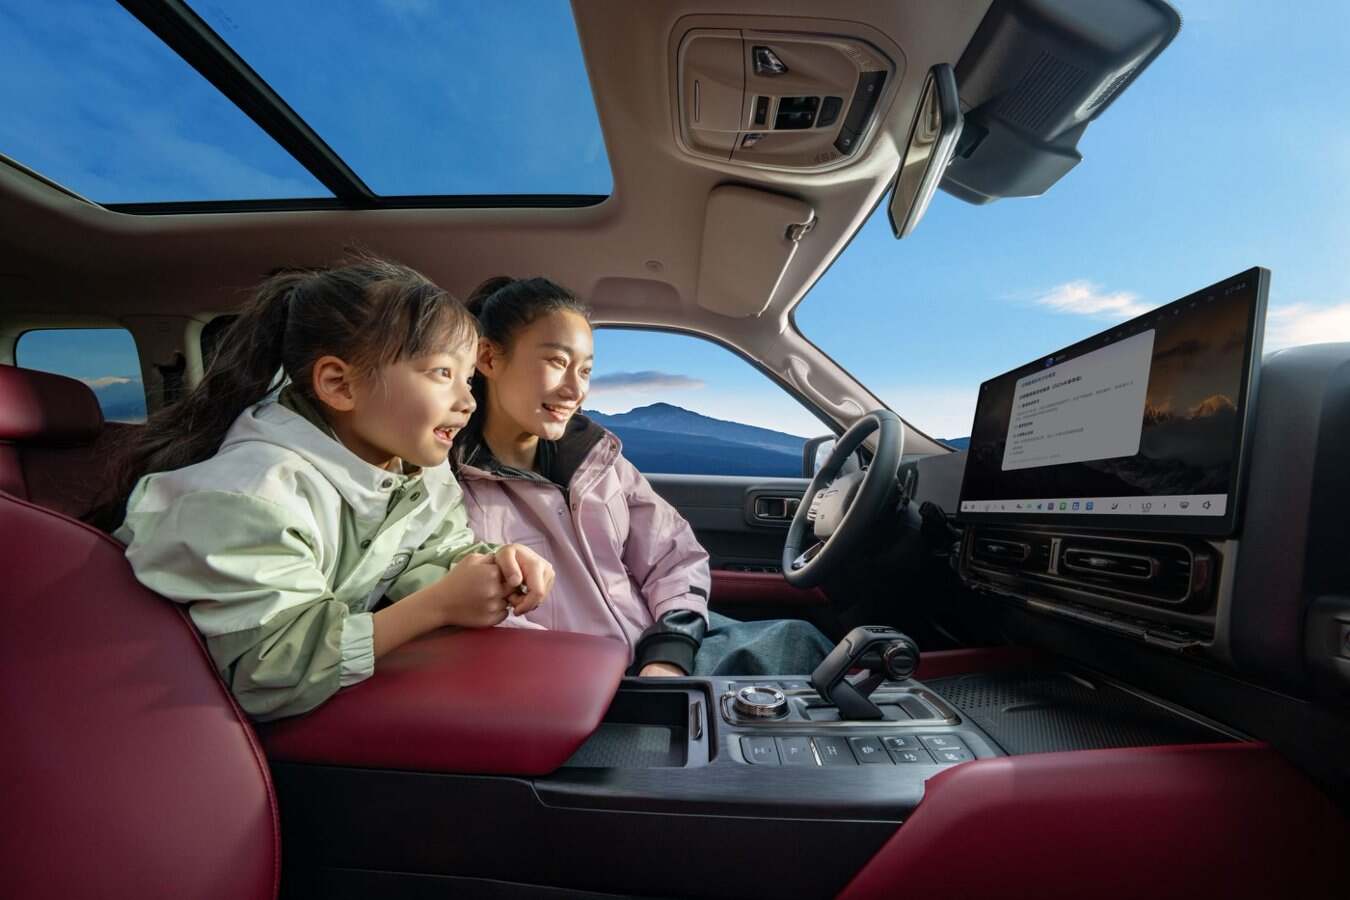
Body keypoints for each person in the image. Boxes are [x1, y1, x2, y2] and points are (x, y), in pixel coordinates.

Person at [110, 257, 554, 721]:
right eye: (442, 373)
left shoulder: (415, 468)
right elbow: (267, 671)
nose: (467, 402)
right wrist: (437, 607)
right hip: (169, 718)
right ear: (339, 385)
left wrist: (492, 568)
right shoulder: (250, 497)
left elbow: (431, 552)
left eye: (468, 380)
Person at [454, 276, 835, 676]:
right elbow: (489, 628)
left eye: (585, 370)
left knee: (800, 640)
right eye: (557, 362)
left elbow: (674, 555)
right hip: (585, 685)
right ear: (489, 358)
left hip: (655, 647)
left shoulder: (596, 460)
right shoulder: (450, 491)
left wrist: (671, 646)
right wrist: (624, 680)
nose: (574, 390)